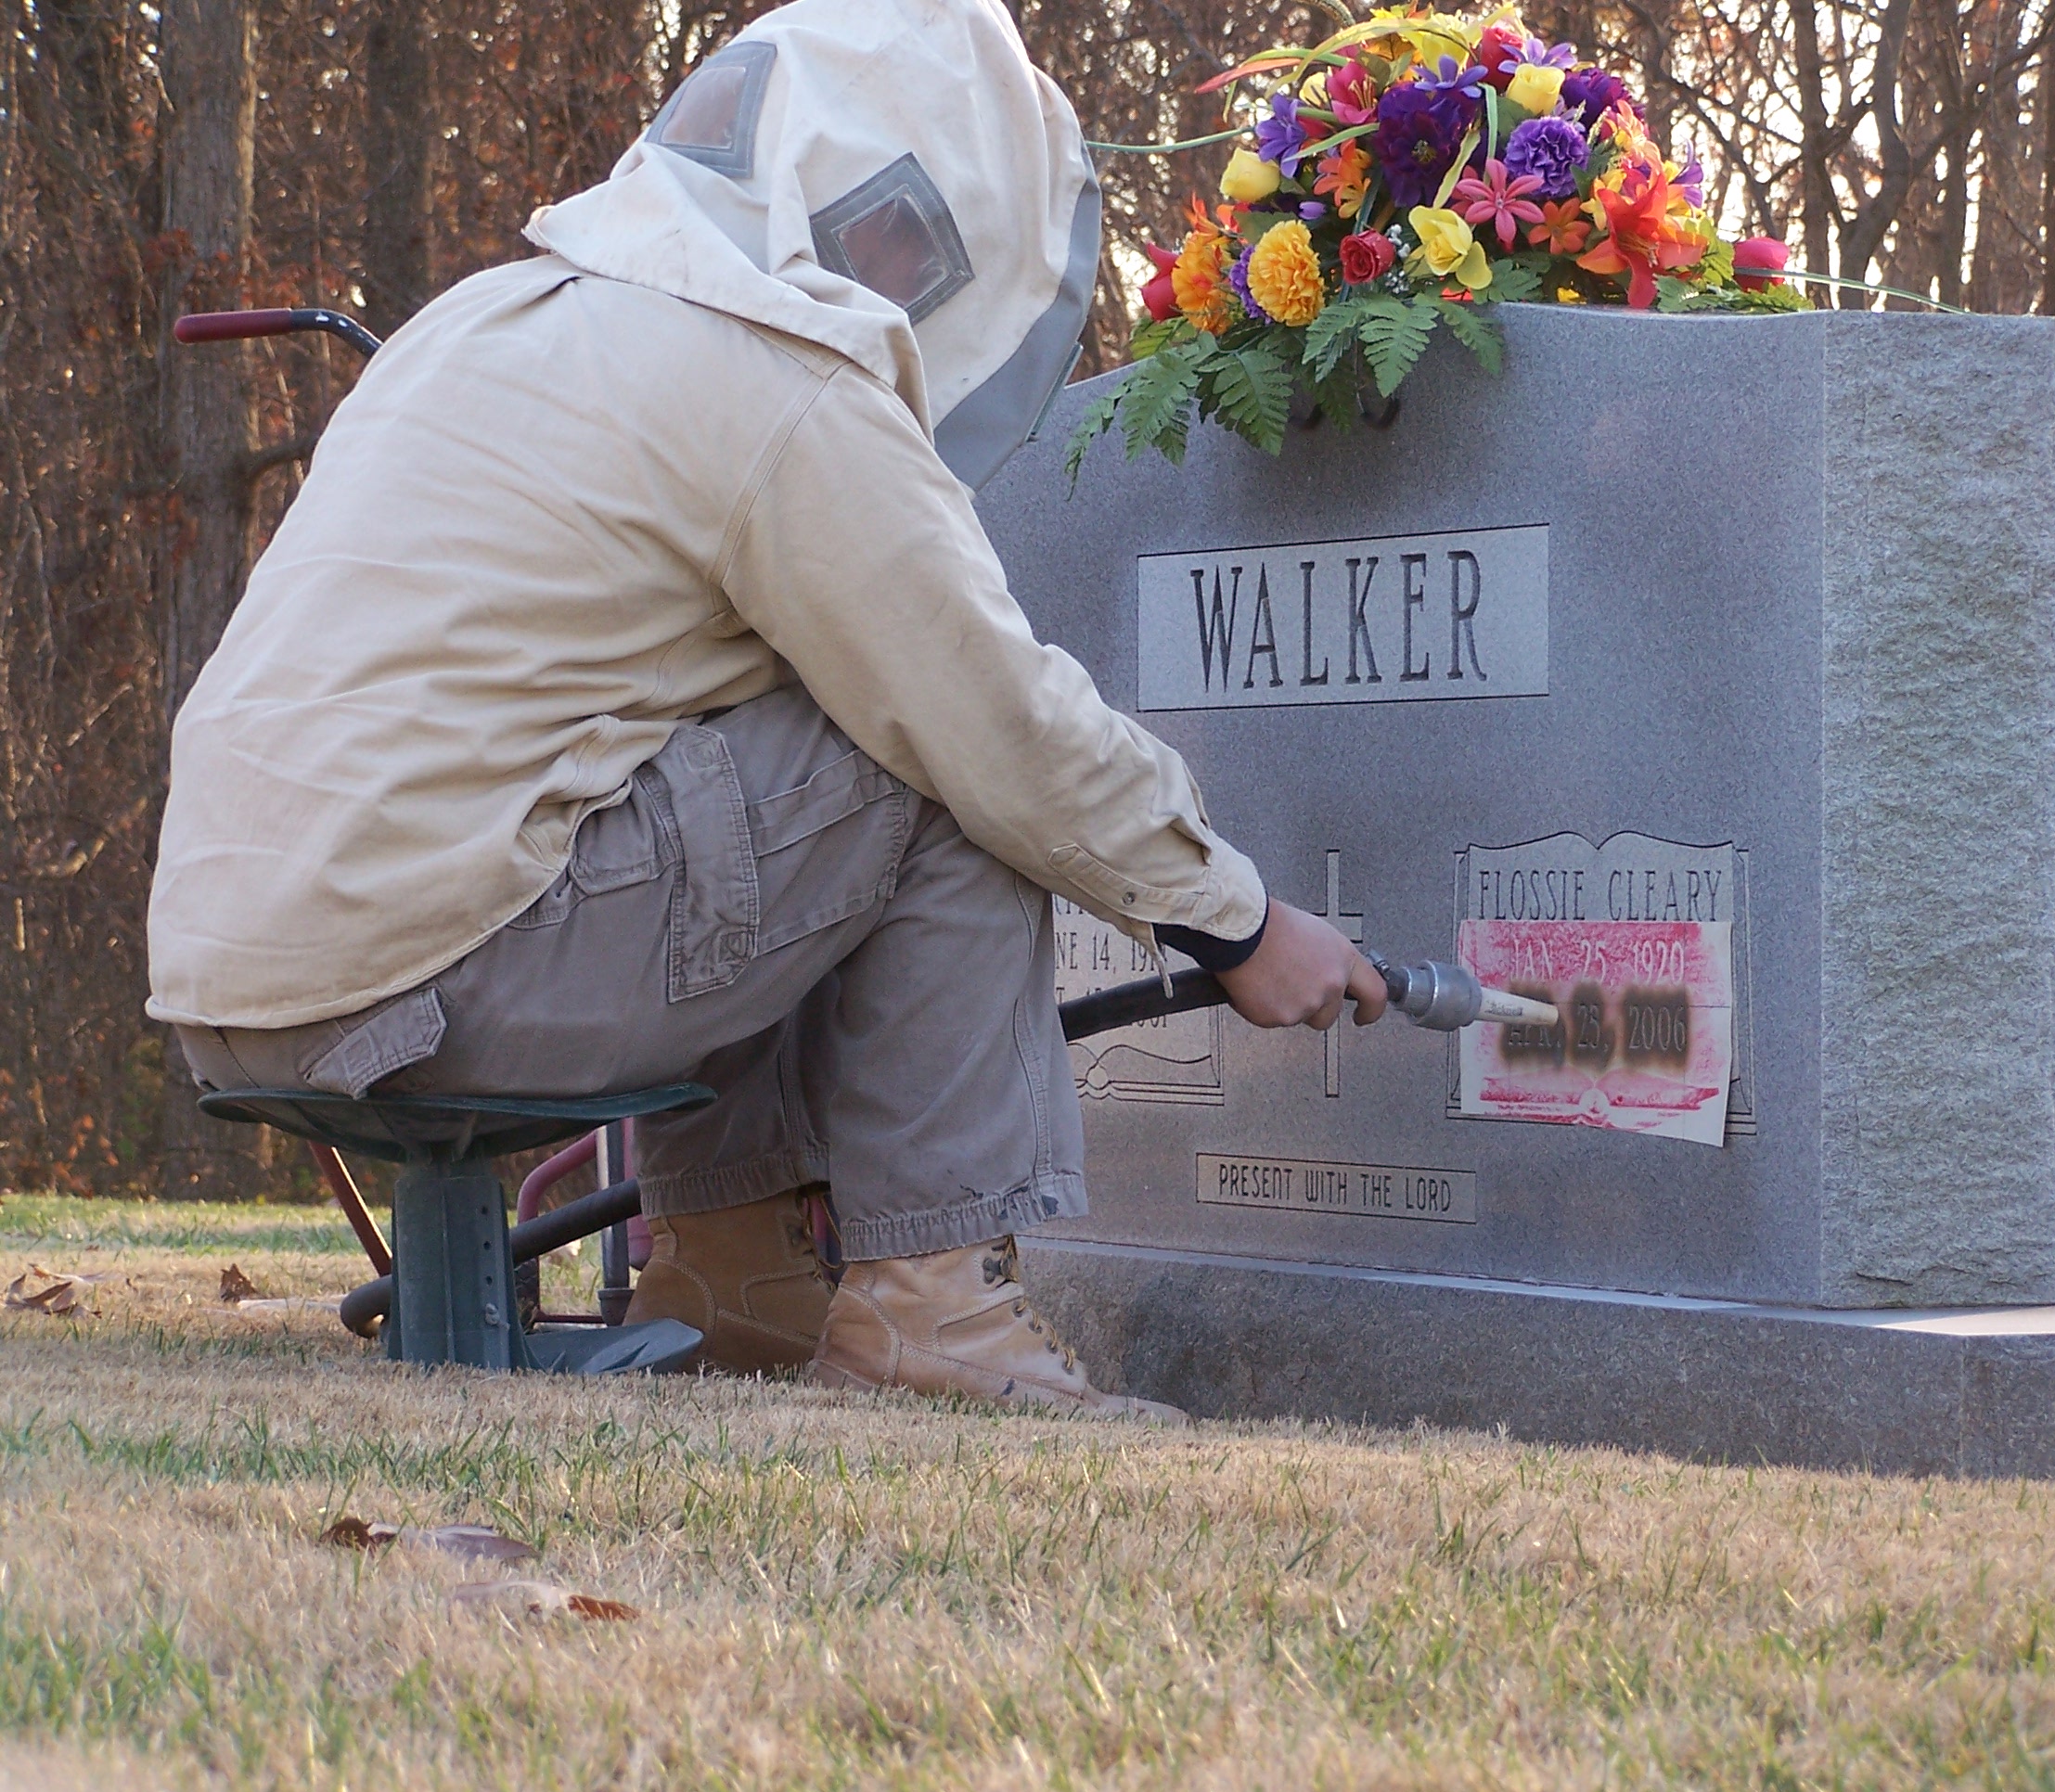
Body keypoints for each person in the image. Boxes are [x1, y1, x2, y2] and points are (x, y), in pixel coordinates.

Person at [146, 0, 1384, 1419]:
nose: (909, 275)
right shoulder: (770, 372)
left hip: (236, 990)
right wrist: (1233, 916)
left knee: (769, 736)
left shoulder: (484, 320)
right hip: (432, 974)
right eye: (914, 241)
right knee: (936, 761)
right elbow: (999, 730)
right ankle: (933, 1300)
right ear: (877, 203)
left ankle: (731, 1265)